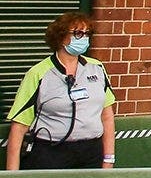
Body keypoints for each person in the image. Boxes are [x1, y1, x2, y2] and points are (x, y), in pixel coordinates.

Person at [6, 12, 116, 170]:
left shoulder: (97, 68)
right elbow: (19, 126)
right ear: (61, 37)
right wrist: (13, 177)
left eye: (87, 34)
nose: (84, 38)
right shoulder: (38, 73)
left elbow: (107, 116)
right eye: (78, 33)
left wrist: (109, 158)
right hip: (51, 152)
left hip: (91, 152)